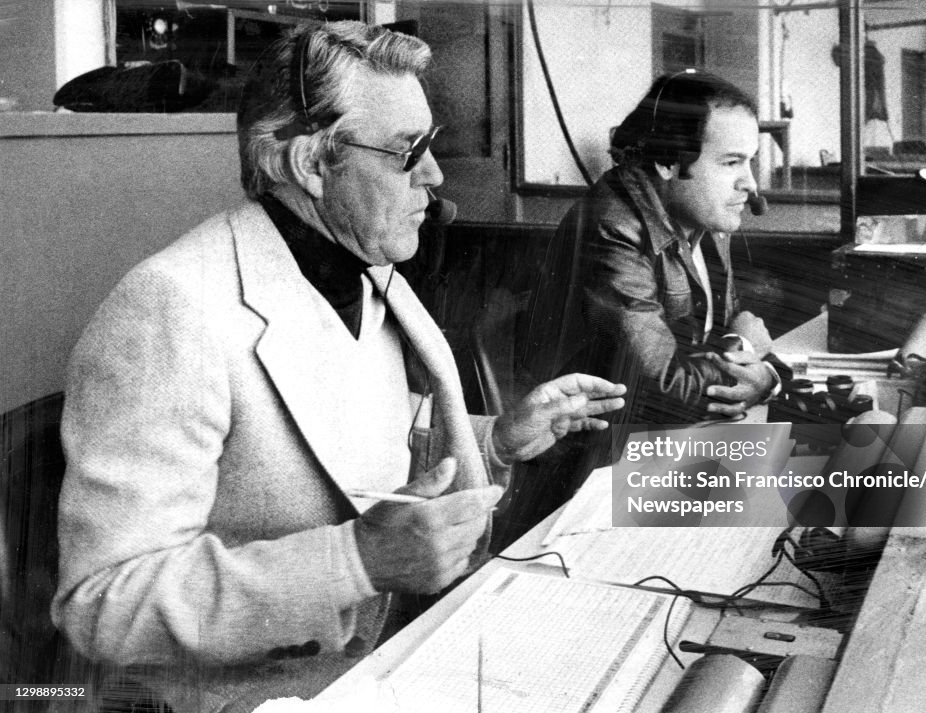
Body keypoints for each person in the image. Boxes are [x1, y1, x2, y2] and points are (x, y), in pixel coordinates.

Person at [51, 21, 624, 713]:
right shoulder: (171, 309)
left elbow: (356, 440)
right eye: (409, 151)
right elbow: (102, 605)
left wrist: (495, 437)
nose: (437, 177)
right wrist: (353, 561)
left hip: (378, 658)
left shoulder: (367, 272)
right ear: (311, 164)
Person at [516, 71, 786, 524]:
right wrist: (758, 365)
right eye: (731, 163)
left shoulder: (698, 213)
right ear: (666, 161)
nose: (750, 185)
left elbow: (731, 322)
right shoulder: (612, 227)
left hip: (675, 445)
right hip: (598, 477)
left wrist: (757, 364)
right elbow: (663, 388)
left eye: (751, 162)